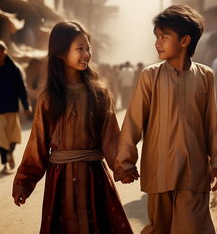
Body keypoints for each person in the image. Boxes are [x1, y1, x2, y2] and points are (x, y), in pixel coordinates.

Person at [114, 5, 217, 234]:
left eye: (164, 37)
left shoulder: (205, 76)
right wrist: (125, 161)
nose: (157, 43)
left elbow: (211, 123)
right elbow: (133, 122)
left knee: (193, 228)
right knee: (160, 229)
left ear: (185, 41)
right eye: (156, 37)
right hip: (159, 170)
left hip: (194, 171)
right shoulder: (150, 76)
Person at [12, 21, 133, 234]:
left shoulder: (99, 94)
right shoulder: (48, 98)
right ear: (60, 53)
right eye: (80, 48)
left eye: (88, 48)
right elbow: (37, 145)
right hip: (60, 182)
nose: (87, 54)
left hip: (95, 178)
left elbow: (111, 137)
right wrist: (24, 181)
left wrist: (123, 167)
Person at [0, 40, 31, 173]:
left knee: (13, 136)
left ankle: (9, 154)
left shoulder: (14, 69)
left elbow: (21, 89)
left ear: (4, 52)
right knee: (1, 137)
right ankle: (5, 162)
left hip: (12, 108)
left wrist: (26, 106)